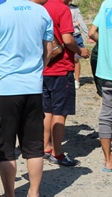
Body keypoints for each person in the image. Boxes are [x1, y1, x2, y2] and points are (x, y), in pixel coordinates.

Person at [0, 0, 53, 197]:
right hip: (33, 86)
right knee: (34, 145)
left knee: (5, 145)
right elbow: (49, 48)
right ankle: (34, 195)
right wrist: (39, 69)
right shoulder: (42, 11)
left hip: (6, 87)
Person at [43, 0, 90, 167]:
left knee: (47, 110)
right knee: (60, 112)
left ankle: (46, 147)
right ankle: (57, 153)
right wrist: (80, 51)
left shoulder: (42, 6)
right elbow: (68, 39)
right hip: (61, 68)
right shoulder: (62, 9)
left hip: (43, 67)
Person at [89, 1, 112, 172]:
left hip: (106, 70)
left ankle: (108, 161)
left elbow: (91, 32)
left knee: (106, 114)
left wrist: (105, 43)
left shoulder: (106, 4)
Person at [68, 0, 89, 90]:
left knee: (76, 59)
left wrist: (88, 35)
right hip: (65, 35)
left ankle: (77, 80)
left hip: (75, 35)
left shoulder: (75, 8)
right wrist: (74, 24)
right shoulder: (60, 7)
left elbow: (81, 22)